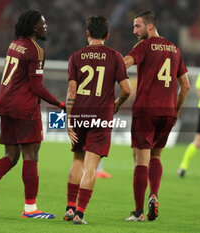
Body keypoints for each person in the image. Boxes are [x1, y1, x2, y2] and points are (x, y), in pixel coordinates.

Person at [0, 10, 65, 218]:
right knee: (31, 155)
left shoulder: (14, 44)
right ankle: (30, 209)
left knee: (11, 155)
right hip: (24, 107)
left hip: (5, 104)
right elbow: (37, 87)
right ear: (34, 27)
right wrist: (60, 104)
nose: (46, 26)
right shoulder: (36, 50)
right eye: (43, 23)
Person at [63, 15, 131, 224]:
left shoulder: (76, 57)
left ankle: (69, 208)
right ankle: (80, 213)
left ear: (87, 33)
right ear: (107, 35)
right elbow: (127, 89)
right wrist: (118, 103)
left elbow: (72, 90)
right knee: (91, 166)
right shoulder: (115, 57)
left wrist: (68, 118)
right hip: (101, 116)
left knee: (77, 160)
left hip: (80, 114)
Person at [123, 11, 190, 222]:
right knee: (156, 157)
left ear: (149, 26)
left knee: (140, 160)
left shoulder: (143, 46)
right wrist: (176, 111)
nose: (134, 31)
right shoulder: (175, 49)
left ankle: (138, 212)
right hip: (168, 112)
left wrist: (110, 65)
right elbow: (186, 86)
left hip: (146, 111)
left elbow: (125, 63)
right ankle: (154, 194)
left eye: (137, 26)